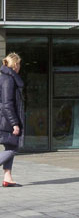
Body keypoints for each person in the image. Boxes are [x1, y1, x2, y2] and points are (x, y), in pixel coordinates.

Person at [0, 53, 25, 187]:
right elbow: (7, 104)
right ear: (15, 65)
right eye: (19, 64)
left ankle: (8, 177)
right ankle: (7, 177)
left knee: (11, 146)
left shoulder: (7, 78)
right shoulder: (8, 80)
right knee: (14, 148)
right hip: (6, 121)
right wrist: (14, 123)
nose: (20, 67)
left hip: (5, 119)